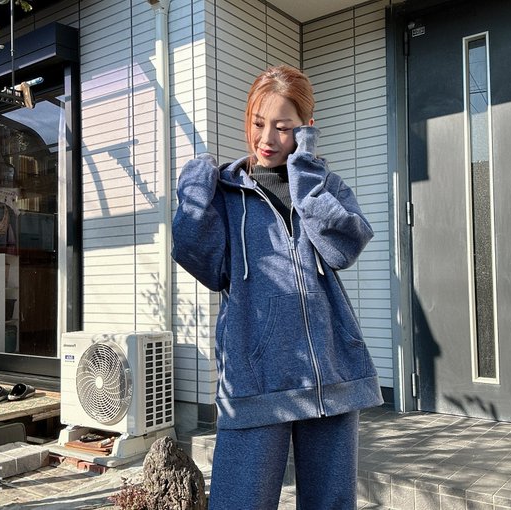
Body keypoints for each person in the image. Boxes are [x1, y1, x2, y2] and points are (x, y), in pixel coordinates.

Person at [171, 65, 383, 510]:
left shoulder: (325, 186)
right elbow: (204, 264)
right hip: (254, 377)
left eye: (284, 128)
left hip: (329, 373)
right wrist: (192, 194)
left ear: (306, 129)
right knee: (239, 502)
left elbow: (342, 249)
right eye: (258, 123)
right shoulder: (226, 193)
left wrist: (305, 177)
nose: (266, 138)